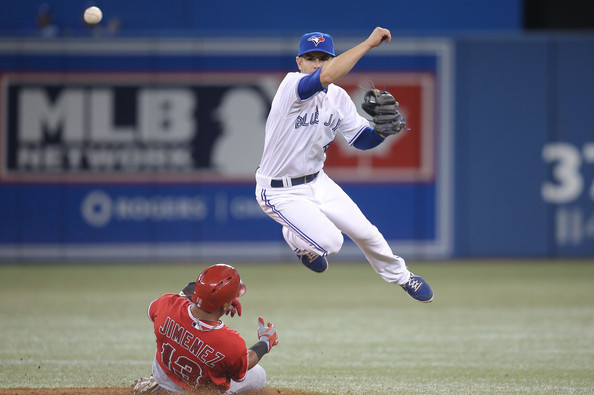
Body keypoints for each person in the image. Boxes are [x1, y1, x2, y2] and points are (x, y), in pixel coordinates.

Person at [255, 27, 434, 303]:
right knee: (331, 242)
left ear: (332, 59)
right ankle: (296, 239)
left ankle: (402, 276)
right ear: (298, 62)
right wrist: (368, 44)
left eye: (324, 58)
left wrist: (383, 132)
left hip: (317, 181)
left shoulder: (337, 97)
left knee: (366, 232)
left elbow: (361, 139)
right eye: (310, 57)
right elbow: (324, 77)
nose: (317, 63)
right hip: (279, 190)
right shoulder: (291, 86)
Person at [132, 264, 279, 394]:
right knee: (258, 375)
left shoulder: (167, 303)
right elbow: (245, 364)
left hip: (164, 377)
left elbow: (180, 299)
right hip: (196, 390)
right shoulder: (230, 342)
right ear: (226, 306)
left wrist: (213, 301)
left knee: (165, 330)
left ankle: (157, 384)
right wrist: (265, 342)